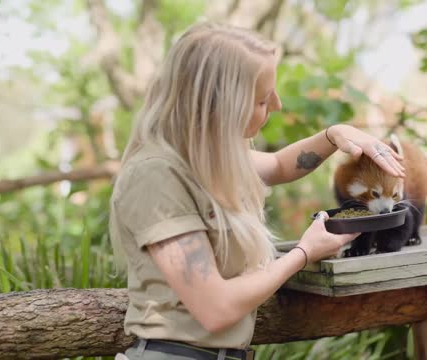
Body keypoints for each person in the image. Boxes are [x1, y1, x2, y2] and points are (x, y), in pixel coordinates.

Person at [109, 22, 405, 360]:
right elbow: (215, 308)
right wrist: (304, 253)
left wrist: (335, 135)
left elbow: (280, 165)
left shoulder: (209, 159)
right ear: (219, 103)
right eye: (263, 99)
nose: (277, 105)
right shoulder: (156, 176)